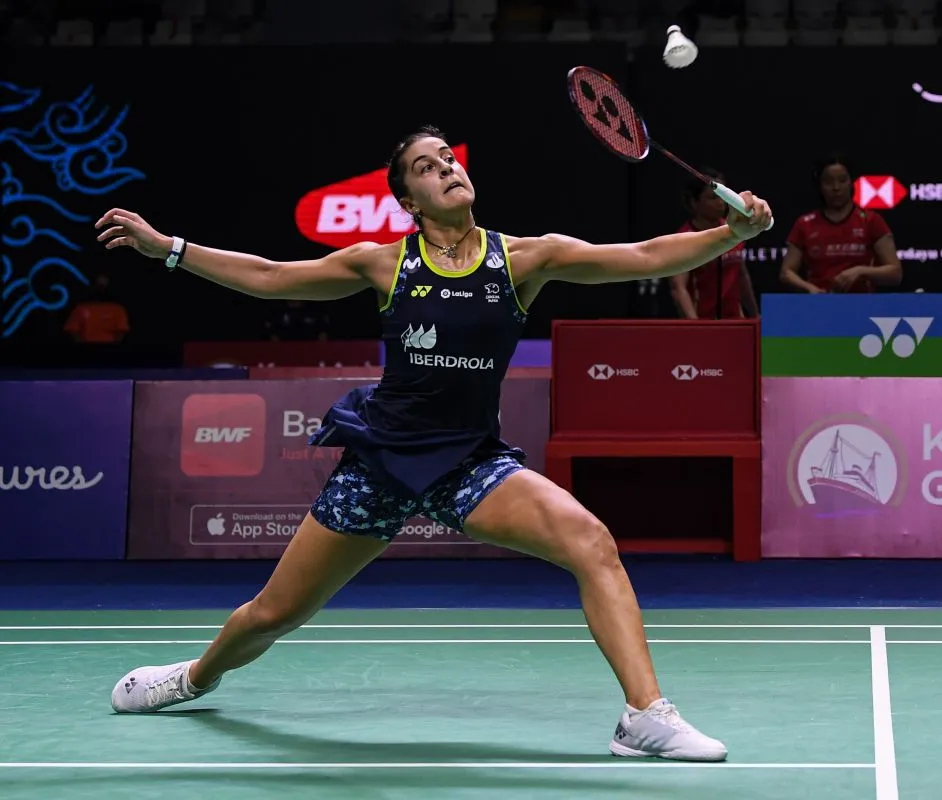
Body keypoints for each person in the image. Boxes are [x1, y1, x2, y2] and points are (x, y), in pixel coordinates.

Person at [95, 124, 772, 762]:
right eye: (427, 166)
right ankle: (192, 678)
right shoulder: (384, 263)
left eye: (448, 157)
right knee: (274, 614)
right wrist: (171, 249)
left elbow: (643, 257)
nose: (446, 168)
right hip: (382, 463)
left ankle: (644, 715)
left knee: (591, 542)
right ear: (408, 200)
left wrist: (728, 234)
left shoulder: (522, 259)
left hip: (468, 463)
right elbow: (272, 277)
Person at [779, 154, 901, 294]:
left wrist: (860, 271)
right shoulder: (805, 224)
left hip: (861, 302)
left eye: (842, 180)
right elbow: (786, 272)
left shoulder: (871, 220)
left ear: (851, 182)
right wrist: (809, 288)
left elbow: (895, 272)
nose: (836, 187)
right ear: (820, 185)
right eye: (828, 182)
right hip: (820, 301)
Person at [669, 167, 758, 320]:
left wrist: (755, 315)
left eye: (723, 197)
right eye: (713, 197)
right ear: (694, 202)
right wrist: (696, 327)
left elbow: (741, 275)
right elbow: (679, 288)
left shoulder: (734, 231)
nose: (721, 202)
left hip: (735, 321)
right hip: (704, 323)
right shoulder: (684, 239)